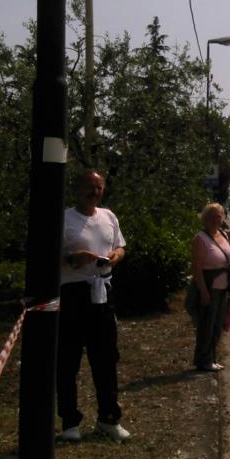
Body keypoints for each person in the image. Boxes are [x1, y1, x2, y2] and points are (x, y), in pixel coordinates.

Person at [57, 169, 130, 442]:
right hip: (73, 293)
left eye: (98, 187)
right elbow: (50, 257)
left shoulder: (108, 216)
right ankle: (69, 422)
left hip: (102, 292)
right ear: (77, 189)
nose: (94, 192)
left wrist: (115, 256)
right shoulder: (64, 219)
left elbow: (121, 247)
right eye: (89, 187)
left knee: (106, 358)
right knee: (68, 359)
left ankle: (108, 418)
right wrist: (73, 259)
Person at [191, 203, 230, 372]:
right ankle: (202, 360)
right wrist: (203, 291)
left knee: (218, 323)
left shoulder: (222, 234)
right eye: (212, 216)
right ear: (205, 218)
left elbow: (227, 257)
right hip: (209, 284)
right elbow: (196, 268)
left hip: (222, 284)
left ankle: (211, 359)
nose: (216, 219)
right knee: (206, 325)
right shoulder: (200, 239)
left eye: (219, 216)